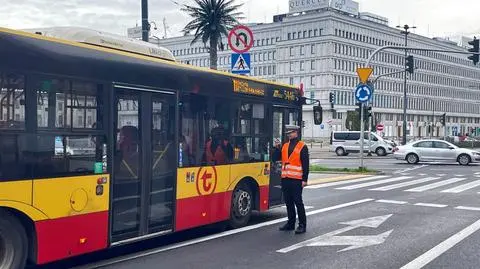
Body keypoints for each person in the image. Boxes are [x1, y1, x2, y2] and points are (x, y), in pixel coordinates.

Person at [273, 125, 309, 234]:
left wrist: (304, 179)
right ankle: (291, 223)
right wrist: (276, 148)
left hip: (297, 179)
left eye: (291, 132)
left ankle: (302, 225)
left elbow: (306, 164)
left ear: (296, 132)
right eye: (288, 133)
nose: (289, 134)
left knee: (298, 202)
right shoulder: (284, 146)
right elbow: (275, 158)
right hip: (286, 178)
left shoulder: (302, 146)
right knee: (288, 202)